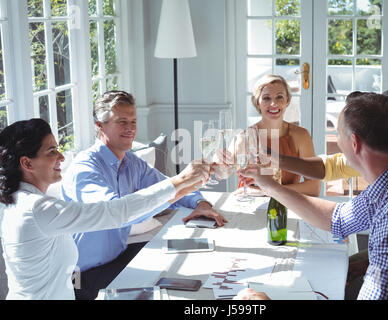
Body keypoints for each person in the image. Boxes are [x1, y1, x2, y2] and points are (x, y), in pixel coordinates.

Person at [240, 93, 388, 300]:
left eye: (338, 134)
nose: (337, 143)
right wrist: (270, 186)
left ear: (354, 143)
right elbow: (338, 219)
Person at [0, 118, 208, 299]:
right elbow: (116, 212)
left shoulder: (22, 202)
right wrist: (180, 181)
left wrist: (184, 186)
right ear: (27, 163)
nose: (61, 157)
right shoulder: (38, 209)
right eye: (51, 151)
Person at [61, 90, 227, 300]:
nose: (130, 128)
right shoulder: (85, 169)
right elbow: (119, 213)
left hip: (117, 258)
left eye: (133, 121)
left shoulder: (131, 162)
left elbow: (165, 186)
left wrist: (200, 202)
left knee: (193, 269)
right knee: (173, 293)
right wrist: (183, 180)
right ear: (99, 126)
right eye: (122, 121)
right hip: (83, 275)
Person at [215, 74, 320, 197]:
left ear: (287, 101)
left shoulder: (301, 136)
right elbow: (222, 172)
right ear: (257, 103)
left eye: (279, 97)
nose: (273, 103)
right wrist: (220, 164)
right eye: (266, 98)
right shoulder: (245, 137)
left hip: (288, 206)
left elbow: (314, 188)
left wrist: (267, 191)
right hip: (249, 204)